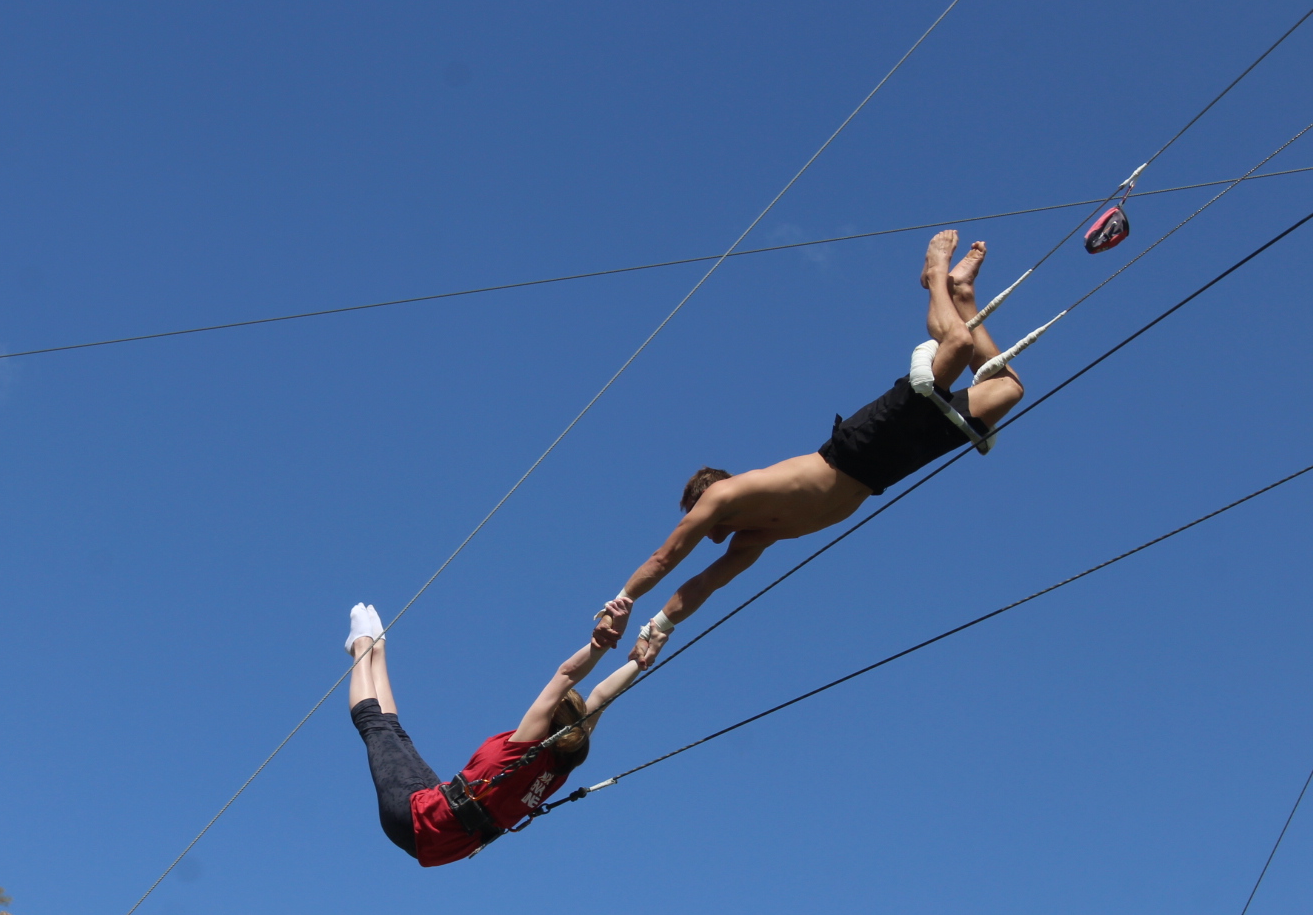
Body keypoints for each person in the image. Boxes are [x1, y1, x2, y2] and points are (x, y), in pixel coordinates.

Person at [610, 231, 1025, 668]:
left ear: (702, 499)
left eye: (693, 515)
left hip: (860, 446)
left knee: (957, 345)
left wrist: (621, 603)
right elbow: (703, 585)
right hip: (888, 470)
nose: (701, 529)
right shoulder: (754, 539)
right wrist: (657, 629)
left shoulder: (723, 497)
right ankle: (963, 296)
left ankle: (936, 274)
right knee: (1007, 390)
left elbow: (665, 557)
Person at [345, 598, 641, 866]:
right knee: (395, 733)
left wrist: (603, 643)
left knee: (373, 724)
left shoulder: (528, 745)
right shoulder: (564, 761)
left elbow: (566, 675)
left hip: (414, 822)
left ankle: (360, 645)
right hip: (441, 826)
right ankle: (378, 648)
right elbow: (601, 698)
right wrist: (639, 662)